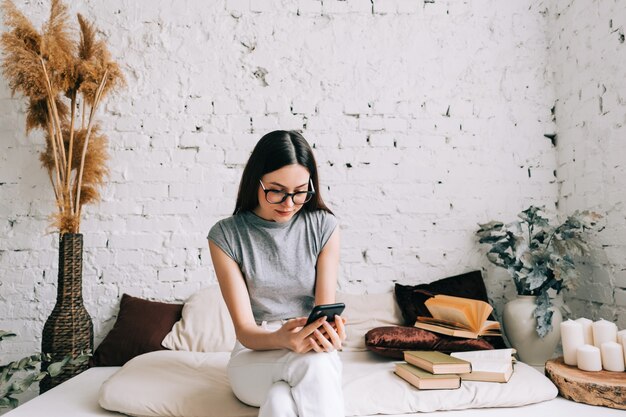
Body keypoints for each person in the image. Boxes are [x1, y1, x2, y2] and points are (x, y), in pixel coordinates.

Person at [208, 130, 346, 417]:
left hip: (310, 350)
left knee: (280, 402)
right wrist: (283, 338)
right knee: (315, 365)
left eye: (299, 192)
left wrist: (331, 335)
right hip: (254, 356)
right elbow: (246, 331)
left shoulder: (324, 227)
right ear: (255, 182)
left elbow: (323, 312)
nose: (288, 203)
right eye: (277, 190)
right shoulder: (226, 236)